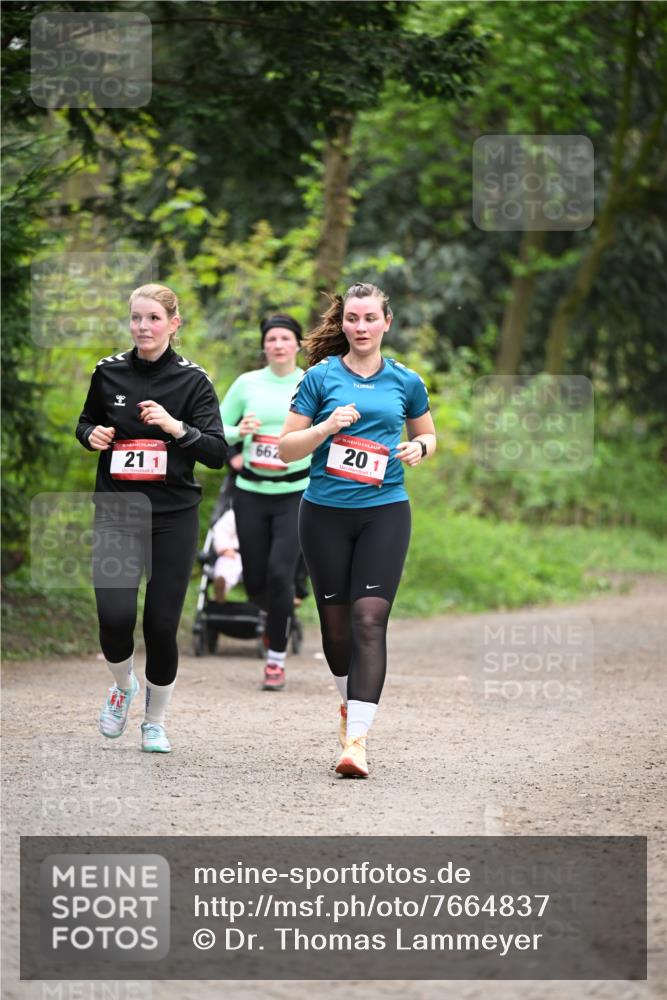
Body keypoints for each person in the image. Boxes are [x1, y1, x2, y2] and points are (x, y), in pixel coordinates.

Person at [278, 282, 436, 777]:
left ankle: (357, 743)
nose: (361, 327)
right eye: (352, 318)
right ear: (342, 322)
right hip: (324, 513)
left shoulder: (405, 381)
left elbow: (427, 433)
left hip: (384, 510)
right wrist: (325, 429)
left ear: (387, 322)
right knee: (337, 629)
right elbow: (286, 449)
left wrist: (421, 449)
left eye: (370, 318)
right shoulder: (320, 377)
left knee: (370, 619)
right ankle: (349, 707)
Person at [76, 283, 226, 753]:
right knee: (114, 618)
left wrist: (177, 427)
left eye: (154, 319)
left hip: (173, 515)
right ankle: (123, 686)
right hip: (118, 509)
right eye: (137, 318)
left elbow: (218, 452)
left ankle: (155, 722)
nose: (143, 327)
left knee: (161, 625)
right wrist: (91, 435)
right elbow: (85, 422)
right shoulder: (108, 372)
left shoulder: (193, 382)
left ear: (173, 324)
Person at [219, 314, 310, 690]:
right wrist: (239, 432)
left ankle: (275, 660)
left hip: (296, 491)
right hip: (251, 492)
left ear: (298, 344)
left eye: (285, 338)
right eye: (271, 338)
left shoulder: (311, 381)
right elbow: (216, 428)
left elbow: (330, 430)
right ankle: (277, 607)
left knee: (280, 574)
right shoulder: (247, 384)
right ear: (264, 346)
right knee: (257, 582)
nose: (277, 344)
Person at [212, 506, 242, 602]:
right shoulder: (233, 515)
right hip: (233, 552)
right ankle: (222, 587)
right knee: (226, 566)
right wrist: (225, 549)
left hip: (257, 556)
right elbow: (220, 531)